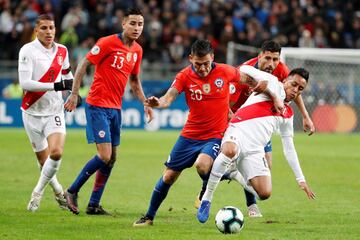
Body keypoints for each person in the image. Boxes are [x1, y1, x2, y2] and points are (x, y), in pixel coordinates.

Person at [132, 39, 278, 227]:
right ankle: (149, 217)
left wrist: (267, 92)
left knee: (202, 165)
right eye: (198, 64)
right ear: (190, 58)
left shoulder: (225, 71)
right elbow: (168, 98)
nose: (202, 68)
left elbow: (249, 80)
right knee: (168, 176)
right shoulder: (184, 76)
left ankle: (211, 189)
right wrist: (157, 103)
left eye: (206, 64)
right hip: (189, 135)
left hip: (215, 135)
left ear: (213, 58)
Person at [195, 40, 315, 218]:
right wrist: (271, 93)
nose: (295, 90)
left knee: (265, 193)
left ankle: (235, 173)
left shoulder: (287, 114)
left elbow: (289, 148)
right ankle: (207, 198)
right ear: (286, 80)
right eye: (293, 85)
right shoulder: (272, 80)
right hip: (237, 128)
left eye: (300, 89)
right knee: (229, 150)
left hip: (256, 147)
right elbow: (241, 72)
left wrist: (301, 179)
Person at [63, 8, 153, 215]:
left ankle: (94, 204)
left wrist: (145, 102)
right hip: (97, 105)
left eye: (140, 24)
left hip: (115, 108)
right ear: (123, 23)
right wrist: (74, 93)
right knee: (104, 156)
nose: (137, 28)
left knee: (111, 158)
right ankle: (72, 191)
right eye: (133, 23)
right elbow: (83, 64)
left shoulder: (137, 50)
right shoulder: (106, 43)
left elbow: (134, 80)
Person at [18, 14, 74, 212]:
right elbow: (25, 83)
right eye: (44, 28)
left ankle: (37, 193)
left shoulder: (62, 50)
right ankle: (59, 191)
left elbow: (68, 74)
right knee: (44, 162)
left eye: (51, 28)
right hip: (32, 113)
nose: (49, 32)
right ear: (36, 30)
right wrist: (56, 85)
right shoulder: (27, 51)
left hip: (54, 111)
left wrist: (73, 93)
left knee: (56, 153)